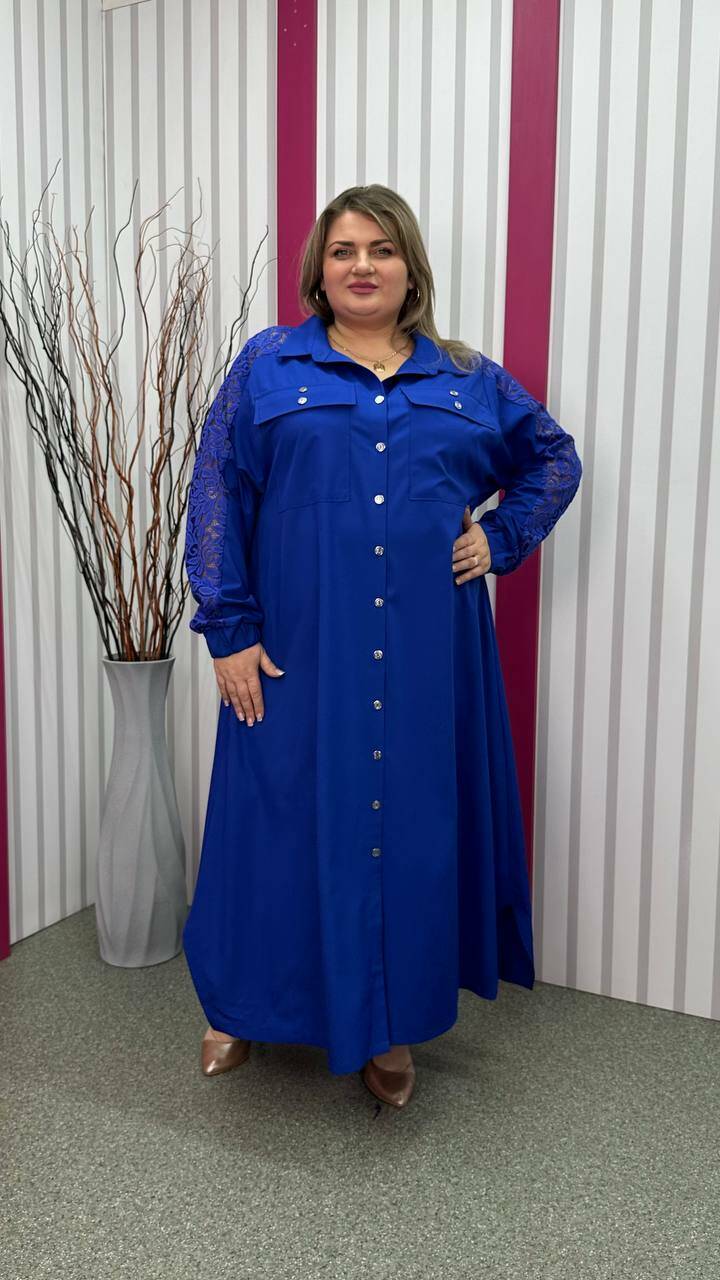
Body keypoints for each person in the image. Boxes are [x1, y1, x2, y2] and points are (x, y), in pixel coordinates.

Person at [182, 183, 582, 1109]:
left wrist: (501, 536)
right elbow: (217, 490)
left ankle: (387, 1021)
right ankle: (241, 1005)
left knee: (406, 828)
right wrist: (229, 629)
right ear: (319, 271)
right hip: (295, 647)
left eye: (381, 249)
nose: (362, 265)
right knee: (272, 820)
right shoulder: (268, 364)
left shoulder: (468, 376)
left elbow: (553, 458)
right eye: (343, 250)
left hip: (427, 652)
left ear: (410, 268)